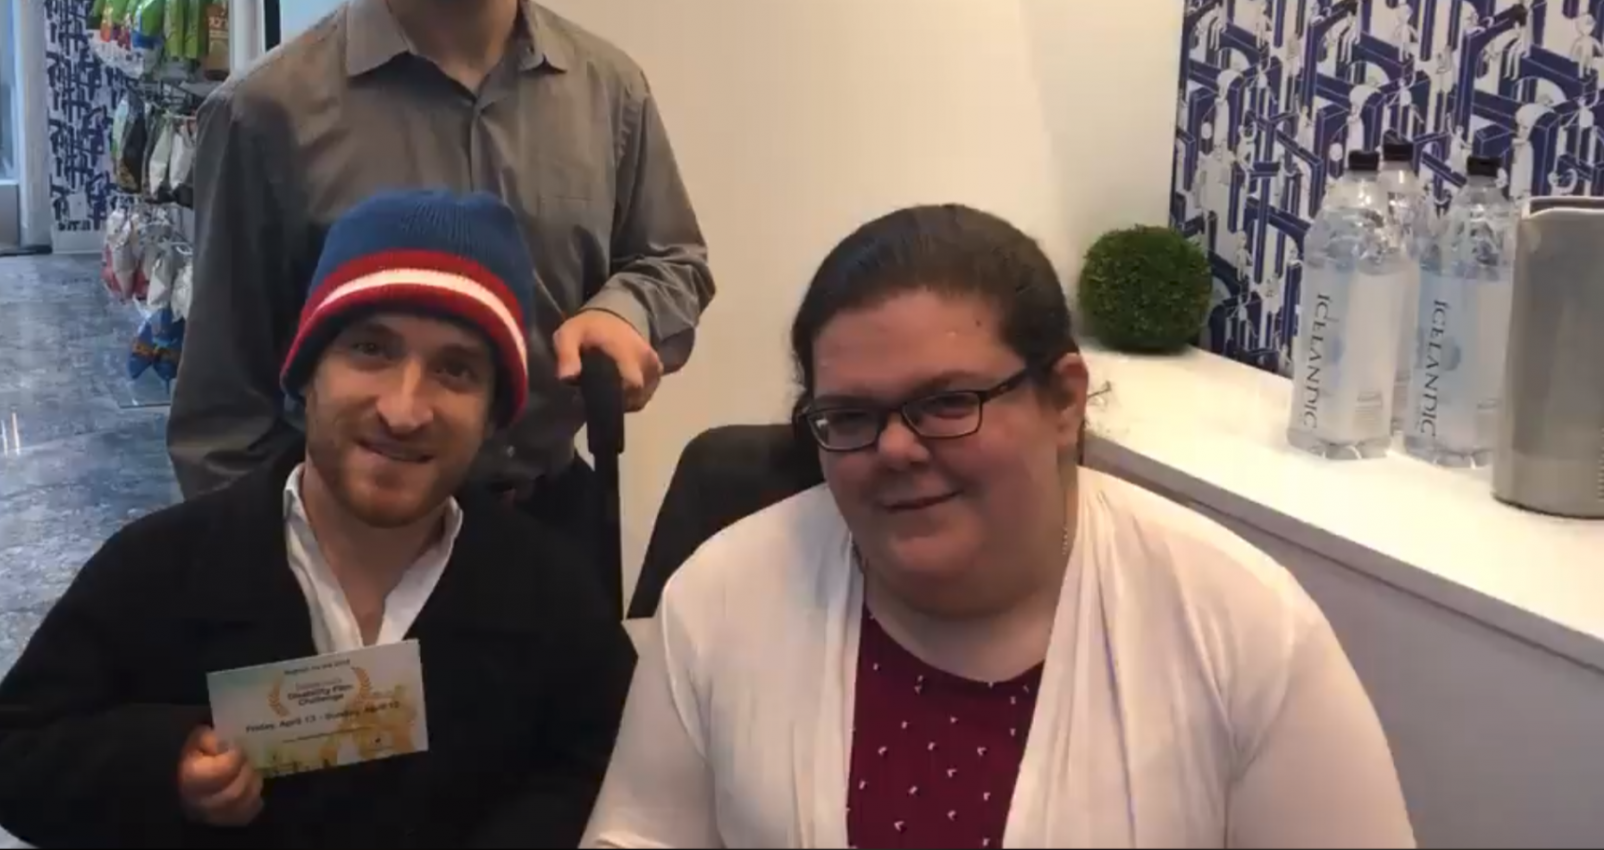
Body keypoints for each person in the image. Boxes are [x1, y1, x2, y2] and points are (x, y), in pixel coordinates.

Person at [584, 206, 1414, 849]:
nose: (897, 449)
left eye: (948, 402)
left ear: (1063, 400)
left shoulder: (1243, 629)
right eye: (850, 415)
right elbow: (642, 833)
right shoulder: (722, 598)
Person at [172, 0, 715, 564]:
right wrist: (273, 600)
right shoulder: (265, 112)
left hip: (551, 532)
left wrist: (623, 309)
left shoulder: (609, 91)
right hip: (351, 548)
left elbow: (674, 261)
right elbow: (221, 417)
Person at [0, 189, 636, 848]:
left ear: (494, 413)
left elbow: (612, 764)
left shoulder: (551, 599)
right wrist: (164, 764)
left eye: (456, 370)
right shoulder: (164, 571)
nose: (404, 410)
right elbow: (13, 752)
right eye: (371, 350)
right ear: (307, 372)